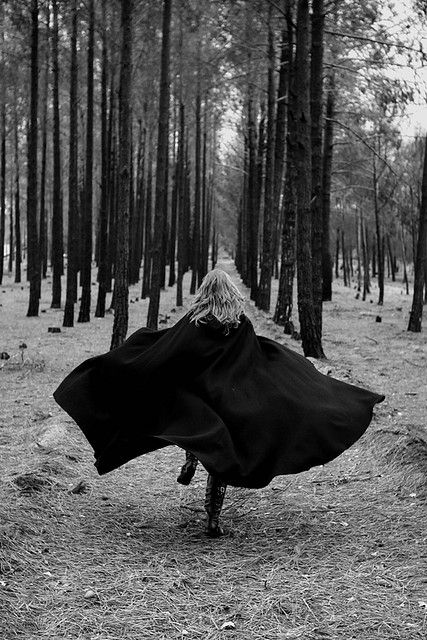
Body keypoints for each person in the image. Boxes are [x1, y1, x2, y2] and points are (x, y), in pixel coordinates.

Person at [53, 268, 384, 537]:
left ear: (204, 291)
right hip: (230, 402)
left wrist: (131, 360)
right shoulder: (240, 325)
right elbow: (251, 361)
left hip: (199, 400)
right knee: (219, 449)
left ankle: (191, 460)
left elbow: (170, 354)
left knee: (195, 424)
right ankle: (211, 518)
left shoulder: (194, 323)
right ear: (230, 292)